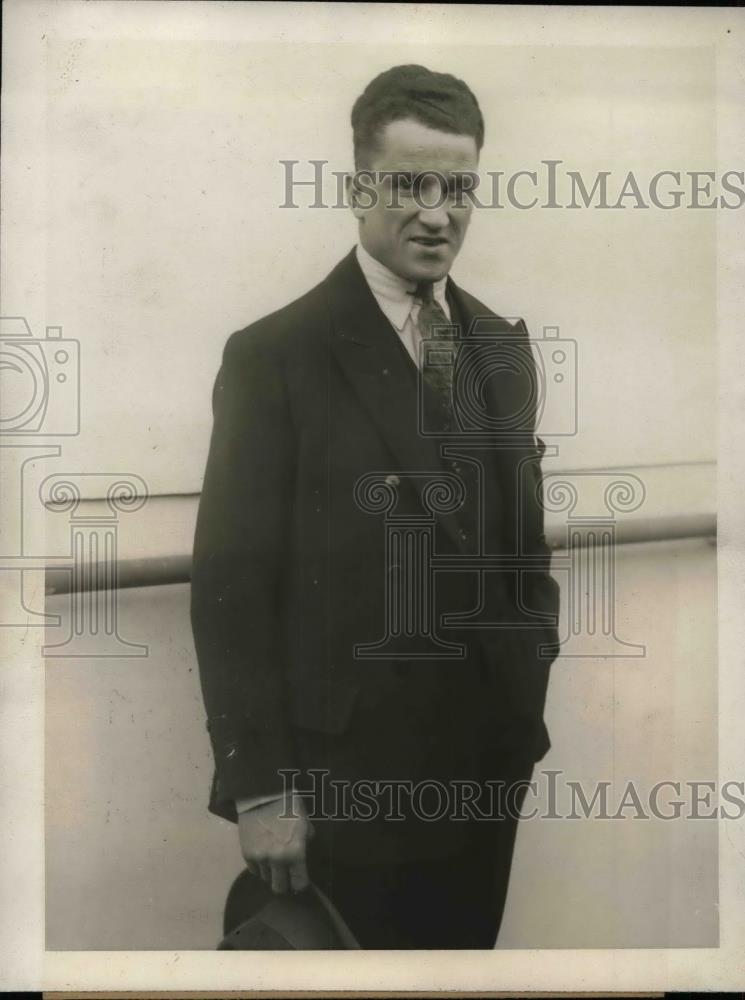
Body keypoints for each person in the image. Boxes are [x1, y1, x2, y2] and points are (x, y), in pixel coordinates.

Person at [191, 64, 560, 949]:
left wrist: (525, 687)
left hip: (482, 774)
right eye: (409, 184)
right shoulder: (275, 356)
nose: (438, 212)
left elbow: (522, 552)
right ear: (359, 186)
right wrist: (261, 788)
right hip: (341, 788)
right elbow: (231, 589)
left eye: (459, 187)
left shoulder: (500, 349)